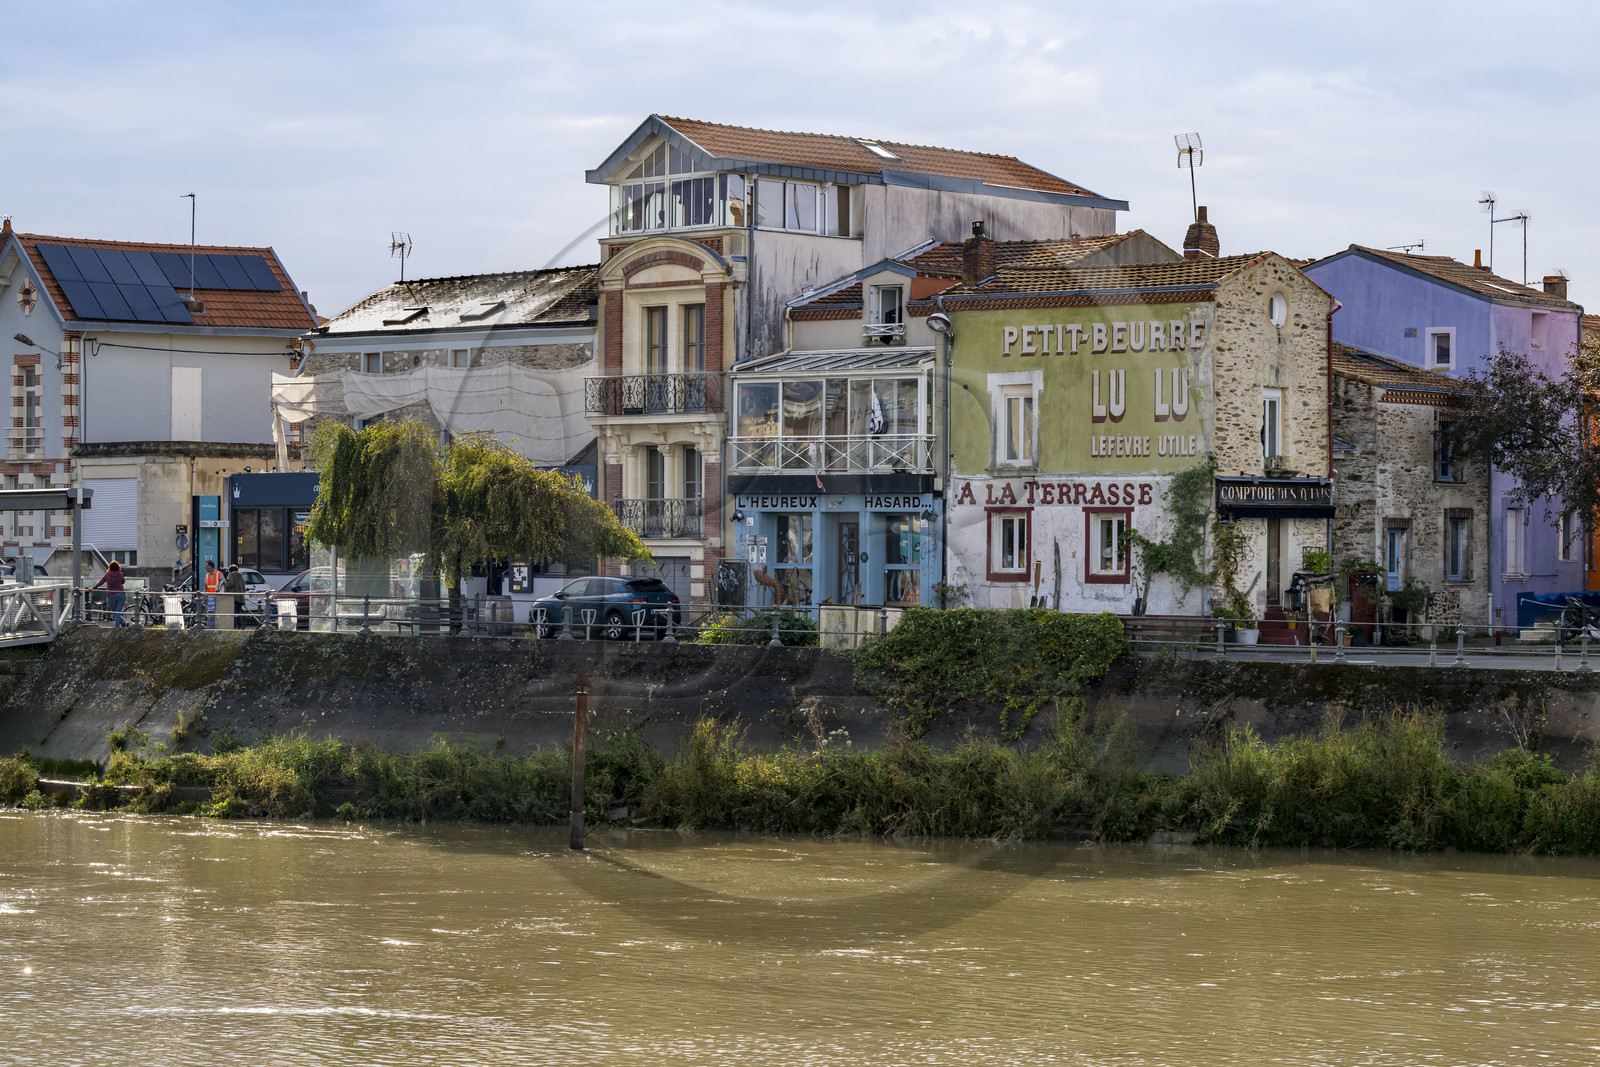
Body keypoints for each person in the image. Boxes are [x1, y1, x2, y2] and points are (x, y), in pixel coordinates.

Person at [91, 560, 127, 627]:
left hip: (111, 595)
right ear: (118, 567)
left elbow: (100, 582)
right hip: (121, 594)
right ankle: (123, 623)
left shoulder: (107, 574)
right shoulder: (120, 574)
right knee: (118, 611)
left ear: (110, 567)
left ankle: (117, 627)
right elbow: (123, 582)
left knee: (114, 612)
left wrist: (93, 588)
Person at [222, 563, 247, 629]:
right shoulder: (240, 576)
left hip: (234, 597)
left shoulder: (231, 574)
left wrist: (225, 583)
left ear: (230, 570)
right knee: (237, 613)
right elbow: (243, 588)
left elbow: (230, 583)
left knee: (233, 613)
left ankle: (234, 627)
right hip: (240, 597)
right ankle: (240, 626)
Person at [203, 560, 221, 629]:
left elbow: (223, 584)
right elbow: (205, 585)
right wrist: (205, 591)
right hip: (210, 597)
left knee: (214, 614)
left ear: (210, 567)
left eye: (206, 566)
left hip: (217, 597)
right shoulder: (207, 575)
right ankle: (210, 628)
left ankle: (213, 627)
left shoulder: (219, 574)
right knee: (210, 613)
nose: (205, 568)